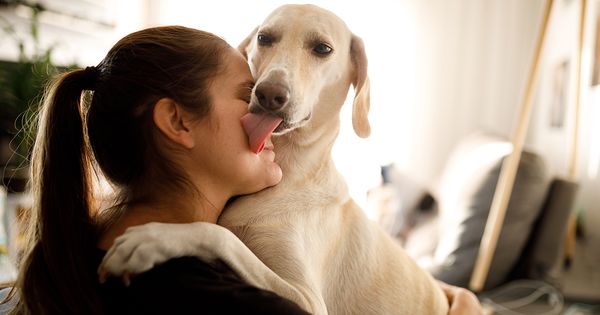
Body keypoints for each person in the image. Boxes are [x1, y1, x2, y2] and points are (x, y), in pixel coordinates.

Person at [5, 25, 482, 315]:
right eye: (246, 95)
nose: (270, 112)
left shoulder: (80, 246)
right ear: (176, 121)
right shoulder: (204, 290)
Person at [7, 25, 307, 314]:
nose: (273, 118)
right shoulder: (235, 305)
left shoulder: (73, 264)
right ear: (176, 121)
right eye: (247, 96)